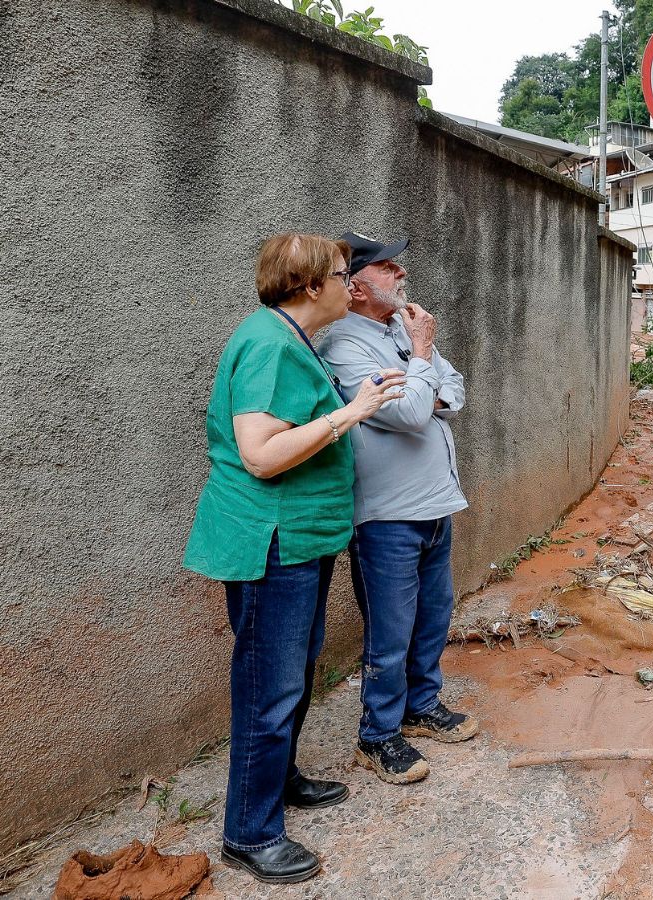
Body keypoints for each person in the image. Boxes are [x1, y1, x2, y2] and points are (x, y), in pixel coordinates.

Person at [182, 233, 407, 884]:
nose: (351, 283)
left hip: (298, 540)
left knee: (294, 674)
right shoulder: (268, 343)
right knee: (269, 687)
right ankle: (249, 834)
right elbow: (260, 451)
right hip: (269, 542)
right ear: (312, 287)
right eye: (343, 274)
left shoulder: (290, 340)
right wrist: (353, 412)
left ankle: (277, 784)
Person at [319, 232, 478, 787]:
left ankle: (421, 705)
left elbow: (452, 393)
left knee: (434, 616)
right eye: (387, 267)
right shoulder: (344, 346)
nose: (400, 274)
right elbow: (411, 414)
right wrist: (422, 362)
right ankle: (378, 735)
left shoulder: (400, 335)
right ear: (357, 287)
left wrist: (419, 374)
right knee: (390, 630)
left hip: (435, 503)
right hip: (386, 515)